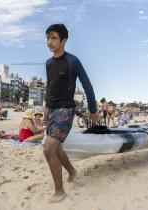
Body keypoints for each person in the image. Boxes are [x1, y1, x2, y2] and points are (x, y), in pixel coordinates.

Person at [43, 23, 99, 203]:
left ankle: (59, 191)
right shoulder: (49, 63)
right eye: (48, 37)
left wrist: (92, 110)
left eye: (53, 38)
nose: (49, 41)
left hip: (66, 110)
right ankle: (72, 172)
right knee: (57, 147)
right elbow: (50, 86)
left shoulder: (73, 61)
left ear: (63, 40)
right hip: (51, 110)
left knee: (48, 148)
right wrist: (46, 107)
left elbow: (87, 84)